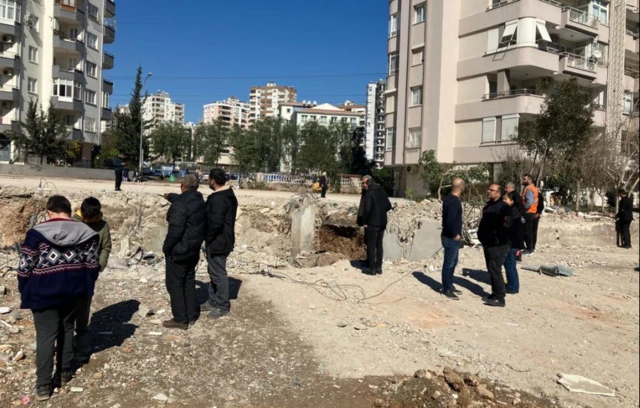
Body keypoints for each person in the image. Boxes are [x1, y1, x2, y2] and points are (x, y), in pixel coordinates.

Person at [17, 196, 100, 401]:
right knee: (67, 329)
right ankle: (63, 373)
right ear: (70, 211)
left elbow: (25, 266)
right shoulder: (88, 233)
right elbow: (92, 265)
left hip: (43, 291)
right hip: (73, 291)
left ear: (50, 212)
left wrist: (24, 288)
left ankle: (44, 385)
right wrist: (85, 287)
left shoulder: (36, 234)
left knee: (45, 336)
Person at [161, 175, 206, 329]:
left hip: (179, 250)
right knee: (188, 281)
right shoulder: (199, 201)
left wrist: (166, 247)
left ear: (181, 185)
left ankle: (180, 319)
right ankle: (191, 314)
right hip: (193, 249)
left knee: (175, 284)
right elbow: (184, 200)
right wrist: (170, 196)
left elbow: (175, 231)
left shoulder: (180, 205)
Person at [72, 197, 112, 360]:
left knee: (84, 303)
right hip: (70, 271)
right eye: (86, 219)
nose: (89, 222)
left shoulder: (102, 226)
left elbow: (106, 247)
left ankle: (81, 335)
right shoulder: (72, 223)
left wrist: (100, 265)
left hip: (89, 272)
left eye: (92, 220)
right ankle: (66, 337)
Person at [201, 168, 238, 319]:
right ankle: (213, 300)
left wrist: (207, 238)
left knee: (218, 273)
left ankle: (222, 305)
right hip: (223, 239)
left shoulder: (219, 199)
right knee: (213, 271)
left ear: (213, 181)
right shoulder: (228, 195)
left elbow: (215, 223)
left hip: (218, 241)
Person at [478, 184, 512, 307]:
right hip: (488, 243)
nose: (489, 191)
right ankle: (495, 293)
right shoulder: (489, 206)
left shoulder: (504, 208)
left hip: (498, 245)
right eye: (489, 189)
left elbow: (507, 225)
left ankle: (499, 298)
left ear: (498, 193)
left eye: (492, 190)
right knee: (491, 269)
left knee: (495, 269)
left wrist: (497, 239)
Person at [357, 175, 392, 275]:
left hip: (372, 223)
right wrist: (380, 211)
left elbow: (367, 210)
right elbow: (388, 206)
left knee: (371, 245)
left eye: (364, 183)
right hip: (382, 222)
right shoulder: (382, 191)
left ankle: (372, 268)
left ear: (369, 183)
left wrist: (364, 222)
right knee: (379, 245)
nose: (363, 185)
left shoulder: (369, 193)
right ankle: (379, 267)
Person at [440, 178, 465, 300]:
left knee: (453, 262)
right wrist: (455, 234)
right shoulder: (454, 202)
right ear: (462, 187)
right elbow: (449, 220)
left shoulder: (448, 199)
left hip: (448, 236)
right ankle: (446, 288)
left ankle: (449, 284)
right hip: (450, 238)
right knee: (449, 263)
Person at [503, 191, 524, 295]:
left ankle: (512, 286)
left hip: (512, 243)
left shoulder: (511, 212)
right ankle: (513, 285)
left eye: (505, 199)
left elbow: (508, 228)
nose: (503, 201)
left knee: (509, 264)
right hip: (515, 243)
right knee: (511, 264)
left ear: (511, 201)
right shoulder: (514, 211)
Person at [520, 174, 539, 254]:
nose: (523, 181)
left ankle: (529, 249)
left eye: (525, 179)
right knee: (530, 231)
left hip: (528, 212)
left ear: (529, 180)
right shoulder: (533, 188)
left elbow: (529, 201)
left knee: (527, 231)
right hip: (532, 211)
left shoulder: (529, 189)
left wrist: (523, 209)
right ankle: (530, 248)